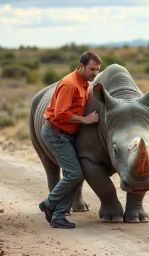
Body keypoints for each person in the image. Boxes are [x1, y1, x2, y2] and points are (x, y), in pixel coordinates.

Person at [39, 51, 101, 229]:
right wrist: (85, 120)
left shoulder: (84, 83)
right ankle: (49, 204)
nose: (95, 73)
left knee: (72, 174)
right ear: (81, 66)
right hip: (56, 133)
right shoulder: (70, 84)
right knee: (75, 174)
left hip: (65, 135)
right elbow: (60, 113)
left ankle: (58, 216)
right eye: (91, 69)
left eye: (97, 70)